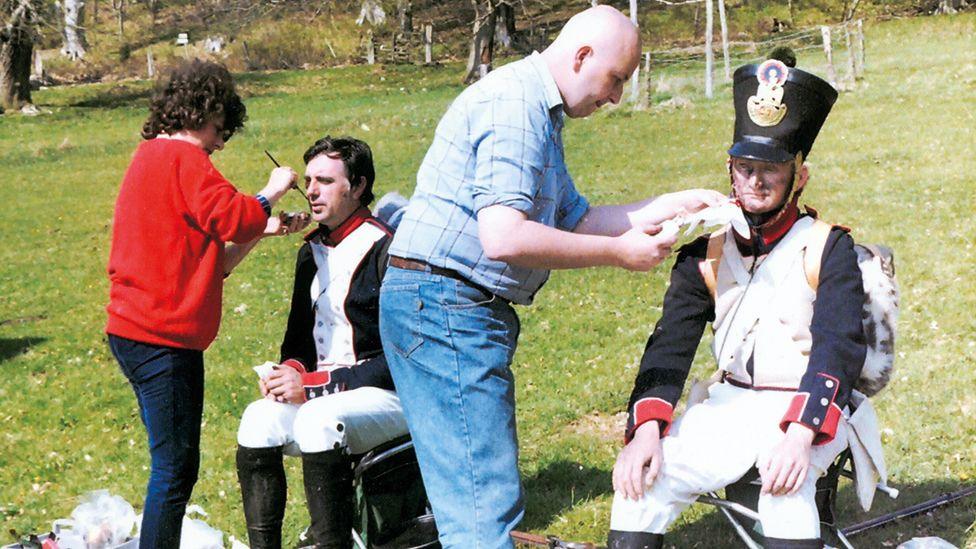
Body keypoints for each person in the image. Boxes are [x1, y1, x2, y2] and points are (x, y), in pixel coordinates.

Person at [379, 6, 725, 548]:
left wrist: (670, 205)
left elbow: (575, 218)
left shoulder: (538, 109)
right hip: (445, 306)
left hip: (445, 305)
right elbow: (505, 237)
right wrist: (618, 253)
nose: (614, 98)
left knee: (476, 497)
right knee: (482, 508)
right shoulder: (516, 106)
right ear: (582, 55)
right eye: (615, 80)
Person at [607, 52, 866, 549]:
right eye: (745, 167)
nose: (756, 181)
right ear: (731, 168)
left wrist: (799, 434)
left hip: (804, 405)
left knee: (783, 490)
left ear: (800, 175)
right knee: (642, 484)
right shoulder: (707, 246)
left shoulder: (829, 246)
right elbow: (670, 344)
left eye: (771, 168)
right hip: (731, 401)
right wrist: (646, 428)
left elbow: (839, 346)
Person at [105, 59, 306, 549]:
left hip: (136, 332)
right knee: (174, 470)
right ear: (202, 113)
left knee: (175, 463)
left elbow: (211, 260)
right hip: (160, 340)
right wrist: (273, 190)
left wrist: (267, 228)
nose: (220, 142)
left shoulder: (150, 158)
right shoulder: (183, 160)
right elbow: (235, 215)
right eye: (220, 129)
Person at [235, 136, 405, 549]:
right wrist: (288, 372)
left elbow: (400, 359)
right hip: (327, 397)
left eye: (325, 181)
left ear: (358, 186)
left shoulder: (390, 248)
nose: (311, 190)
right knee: (257, 420)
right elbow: (297, 343)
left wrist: (312, 386)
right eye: (308, 179)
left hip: (389, 396)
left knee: (316, 420)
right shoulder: (310, 251)